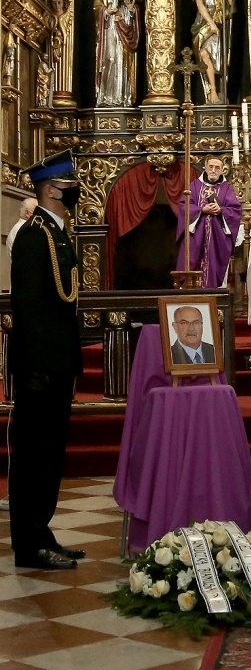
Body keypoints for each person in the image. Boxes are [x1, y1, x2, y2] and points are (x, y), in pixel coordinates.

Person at [9, 152, 84, 571]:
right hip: (40, 366)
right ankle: (29, 543)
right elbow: (29, 305)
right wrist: (36, 366)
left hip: (56, 362)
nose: (75, 188)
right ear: (53, 189)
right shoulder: (34, 234)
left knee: (50, 454)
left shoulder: (56, 231)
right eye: (69, 183)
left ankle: (42, 532)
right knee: (33, 454)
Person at [175, 155, 243, 288]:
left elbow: (235, 211)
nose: (213, 170)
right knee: (191, 263)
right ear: (205, 168)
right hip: (195, 238)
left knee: (212, 267)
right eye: (210, 167)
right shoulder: (193, 187)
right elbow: (184, 207)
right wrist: (201, 210)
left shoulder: (226, 189)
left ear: (222, 170)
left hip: (216, 241)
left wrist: (220, 210)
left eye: (217, 167)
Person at [94, 0, 141, 107]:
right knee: (110, 59)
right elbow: (96, 7)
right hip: (109, 27)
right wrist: (106, 11)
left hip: (123, 26)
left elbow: (132, 6)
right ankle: (107, 97)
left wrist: (130, 9)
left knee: (121, 60)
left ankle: (122, 97)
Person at [191, 0, 235, 103]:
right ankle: (212, 91)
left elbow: (230, 1)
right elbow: (200, 4)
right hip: (204, 23)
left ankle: (215, 92)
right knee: (203, 54)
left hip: (218, 22)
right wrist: (210, 23)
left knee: (215, 58)